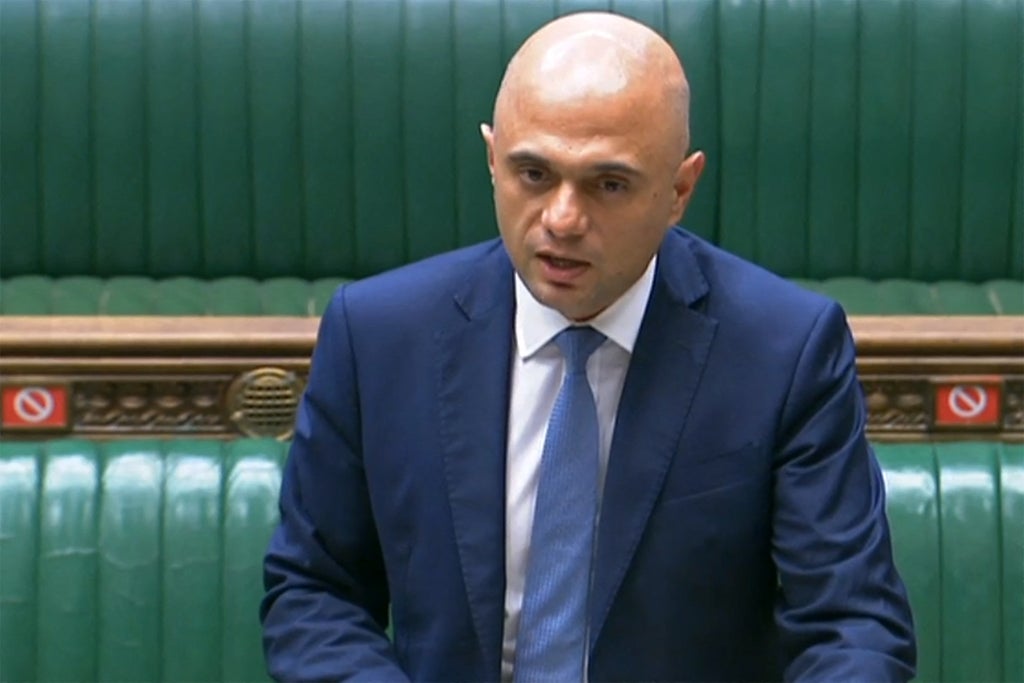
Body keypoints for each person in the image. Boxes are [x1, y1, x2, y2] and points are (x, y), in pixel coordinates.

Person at [260, 11, 916, 682]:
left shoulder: (785, 351)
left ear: (680, 190)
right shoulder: (378, 336)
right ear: (492, 159)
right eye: (533, 173)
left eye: (609, 184)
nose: (563, 219)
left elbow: (852, 624)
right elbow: (314, 594)